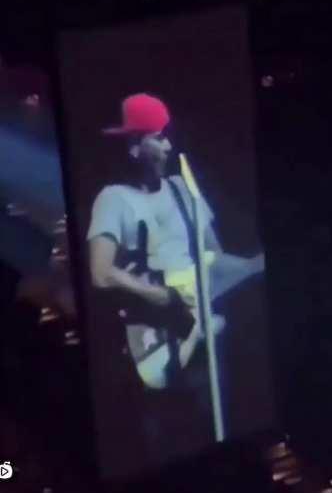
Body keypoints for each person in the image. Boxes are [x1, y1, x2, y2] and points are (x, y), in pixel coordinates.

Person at [86, 93, 265, 472]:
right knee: (172, 450)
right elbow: (100, 273)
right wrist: (158, 295)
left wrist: (253, 266)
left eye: (168, 135)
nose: (168, 145)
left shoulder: (184, 189)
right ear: (135, 147)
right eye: (159, 137)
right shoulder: (113, 199)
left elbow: (214, 256)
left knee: (220, 439)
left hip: (203, 332)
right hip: (157, 339)